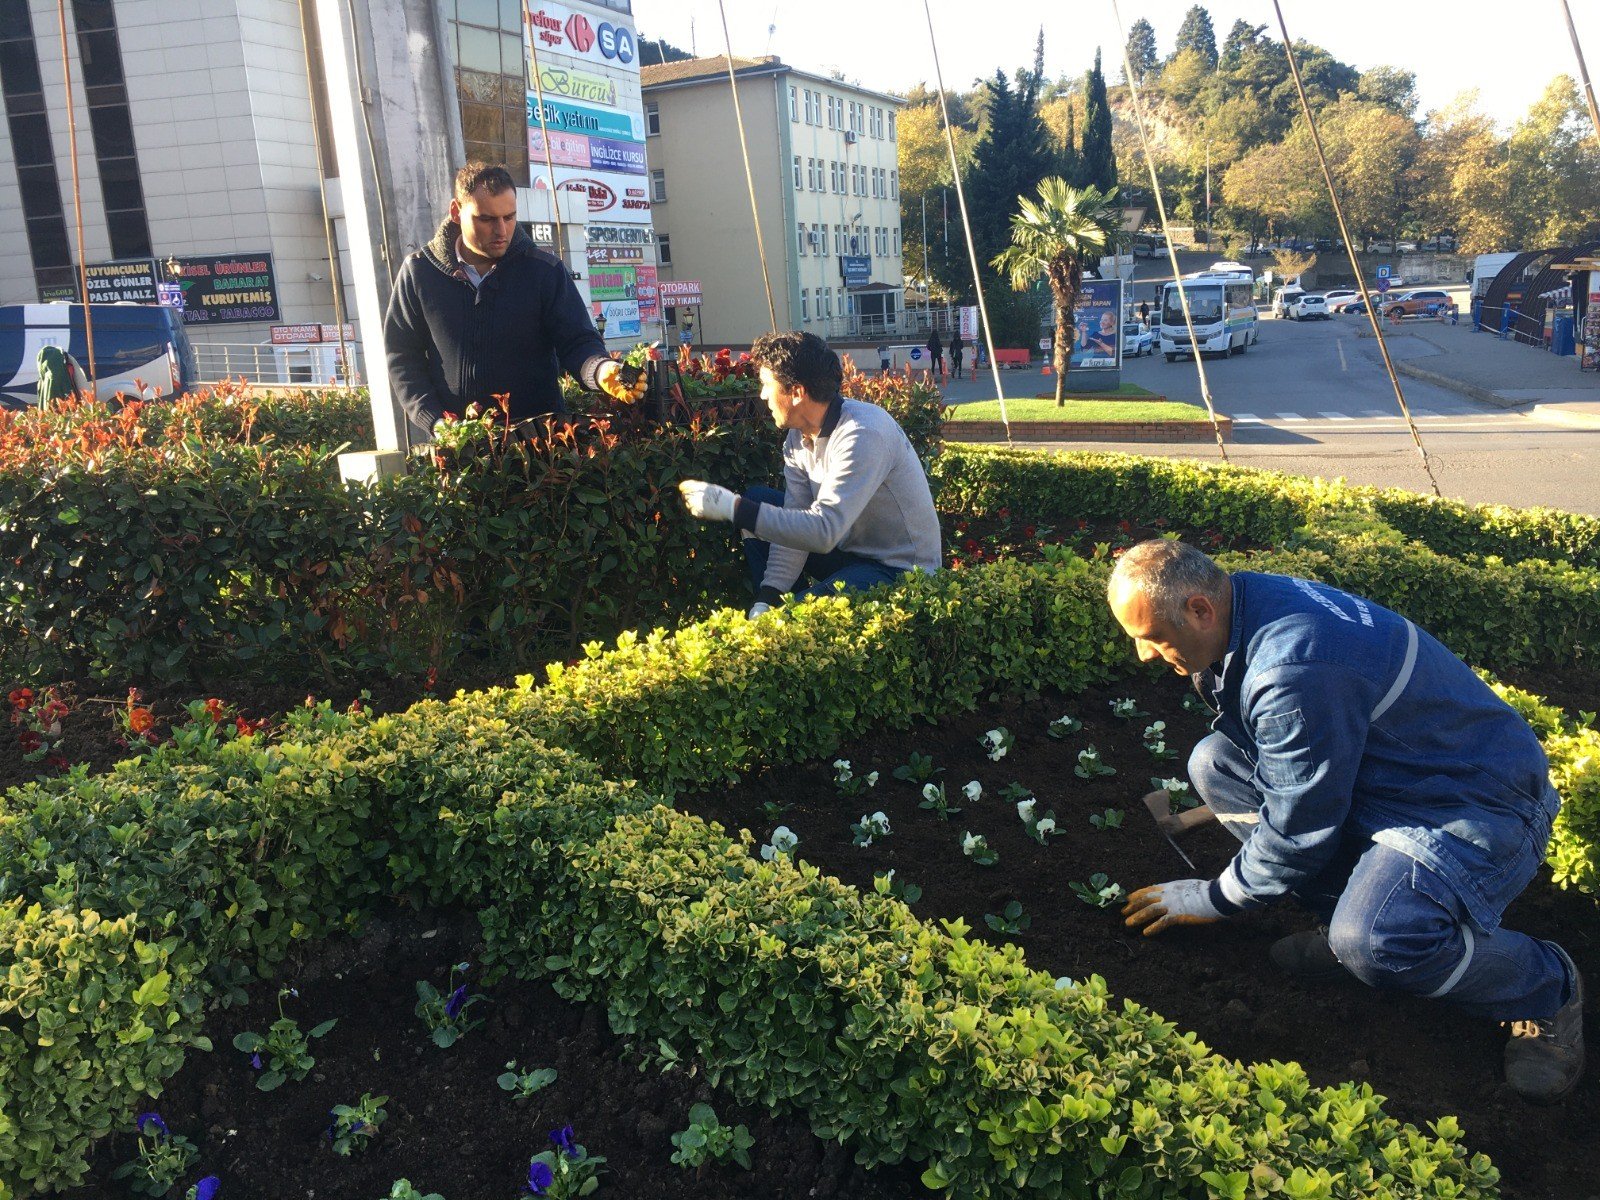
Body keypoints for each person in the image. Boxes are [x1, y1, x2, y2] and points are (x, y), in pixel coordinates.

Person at [1108, 540, 1584, 1103]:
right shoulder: (1247, 597)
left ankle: (1546, 988)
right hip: (1399, 771)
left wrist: (1216, 897)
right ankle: (1343, 916)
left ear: (1199, 610)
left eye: (1153, 638)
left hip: (1476, 802)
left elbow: (1299, 827)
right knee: (1217, 764)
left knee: (1375, 940)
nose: (1144, 656)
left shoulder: (1293, 667)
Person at [676, 331, 941, 618]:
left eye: (766, 384)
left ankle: (787, 619)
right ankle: (776, 611)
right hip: (849, 554)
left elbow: (823, 531)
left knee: (789, 615)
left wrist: (732, 508)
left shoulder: (863, 434)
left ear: (798, 392)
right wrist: (767, 597)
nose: (762, 395)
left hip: (899, 570)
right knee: (759, 501)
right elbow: (796, 522)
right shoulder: (797, 436)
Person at [383, 162, 625, 435]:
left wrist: (601, 370)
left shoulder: (544, 271)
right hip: (458, 449)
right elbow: (402, 357)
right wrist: (437, 423)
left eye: (509, 217)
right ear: (456, 211)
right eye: (486, 219)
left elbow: (577, 340)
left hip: (542, 452)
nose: (502, 230)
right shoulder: (419, 272)